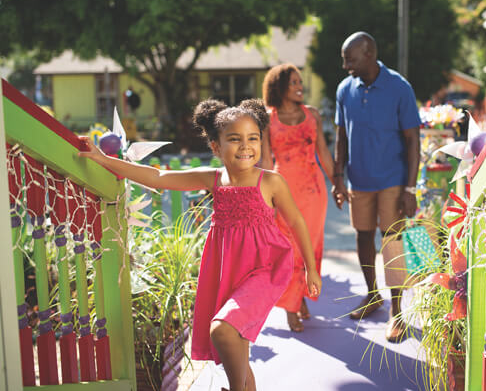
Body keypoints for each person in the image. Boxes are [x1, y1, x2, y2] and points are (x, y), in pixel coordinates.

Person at [78, 98, 322, 391]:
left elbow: (296, 222)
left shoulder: (271, 181)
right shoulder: (213, 178)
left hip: (263, 269)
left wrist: (311, 268)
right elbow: (158, 177)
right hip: (227, 270)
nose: (245, 146)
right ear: (216, 147)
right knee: (237, 342)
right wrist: (103, 159)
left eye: (253, 138)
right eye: (234, 139)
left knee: (223, 329)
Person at [332, 32, 421, 343]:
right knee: (363, 236)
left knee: (392, 242)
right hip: (359, 180)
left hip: (392, 181)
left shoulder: (400, 87)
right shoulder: (345, 89)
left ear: (369, 53)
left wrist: (410, 190)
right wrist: (337, 177)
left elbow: (413, 141)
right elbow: (341, 137)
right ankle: (373, 295)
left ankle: (397, 312)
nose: (346, 67)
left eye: (351, 60)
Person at [260, 63, 334, 333]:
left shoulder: (312, 115)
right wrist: (265, 198)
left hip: (314, 191)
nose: (300, 86)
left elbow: (323, 152)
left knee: (309, 248)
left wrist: (337, 183)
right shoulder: (268, 119)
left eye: (300, 81)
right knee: (288, 249)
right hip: (283, 191)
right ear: (279, 86)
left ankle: (299, 296)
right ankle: (290, 306)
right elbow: (267, 160)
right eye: (294, 82)